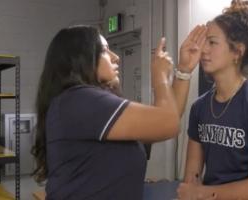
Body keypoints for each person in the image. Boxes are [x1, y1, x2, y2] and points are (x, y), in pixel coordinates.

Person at [30, 25, 207, 200]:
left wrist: (184, 70)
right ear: (79, 60)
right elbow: (169, 123)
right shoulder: (80, 100)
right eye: (105, 51)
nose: (115, 58)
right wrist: (160, 78)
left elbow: (166, 120)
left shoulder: (77, 102)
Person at [176, 0, 248, 200]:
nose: (203, 50)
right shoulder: (200, 107)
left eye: (213, 43)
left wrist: (201, 193)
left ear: (237, 51)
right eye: (204, 42)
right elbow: (193, 176)